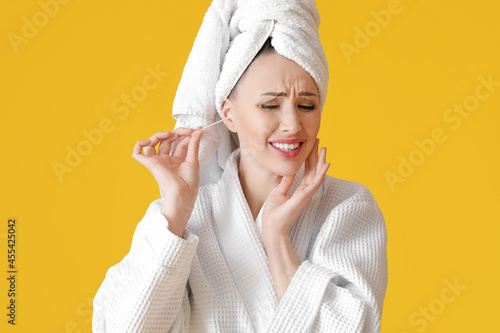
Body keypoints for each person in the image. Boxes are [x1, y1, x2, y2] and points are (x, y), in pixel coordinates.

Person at [92, 1, 387, 332]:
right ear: (228, 113)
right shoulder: (185, 218)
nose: (292, 124)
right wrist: (175, 212)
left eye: (307, 104)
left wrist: (277, 239)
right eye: (270, 105)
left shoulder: (347, 206)